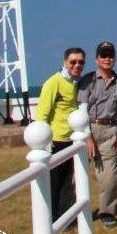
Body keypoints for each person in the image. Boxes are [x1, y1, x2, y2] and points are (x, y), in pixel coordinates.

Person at [36, 47, 86, 222]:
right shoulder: (53, 82)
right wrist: (45, 140)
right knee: (54, 182)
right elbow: (42, 113)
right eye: (73, 62)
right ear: (65, 62)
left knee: (68, 182)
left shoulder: (76, 82)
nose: (77, 65)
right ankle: (51, 217)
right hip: (56, 141)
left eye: (81, 62)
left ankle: (67, 217)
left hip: (72, 139)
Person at [77, 41, 117, 229]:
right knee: (77, 175)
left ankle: (107, 211)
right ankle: (73, 214)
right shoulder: (88, 81)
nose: (107, 59)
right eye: (103, 55)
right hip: (88, 127)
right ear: (97, 59)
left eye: (110, 54)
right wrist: (87, 136)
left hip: (110, 129)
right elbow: (82, 109)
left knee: (110, 176)